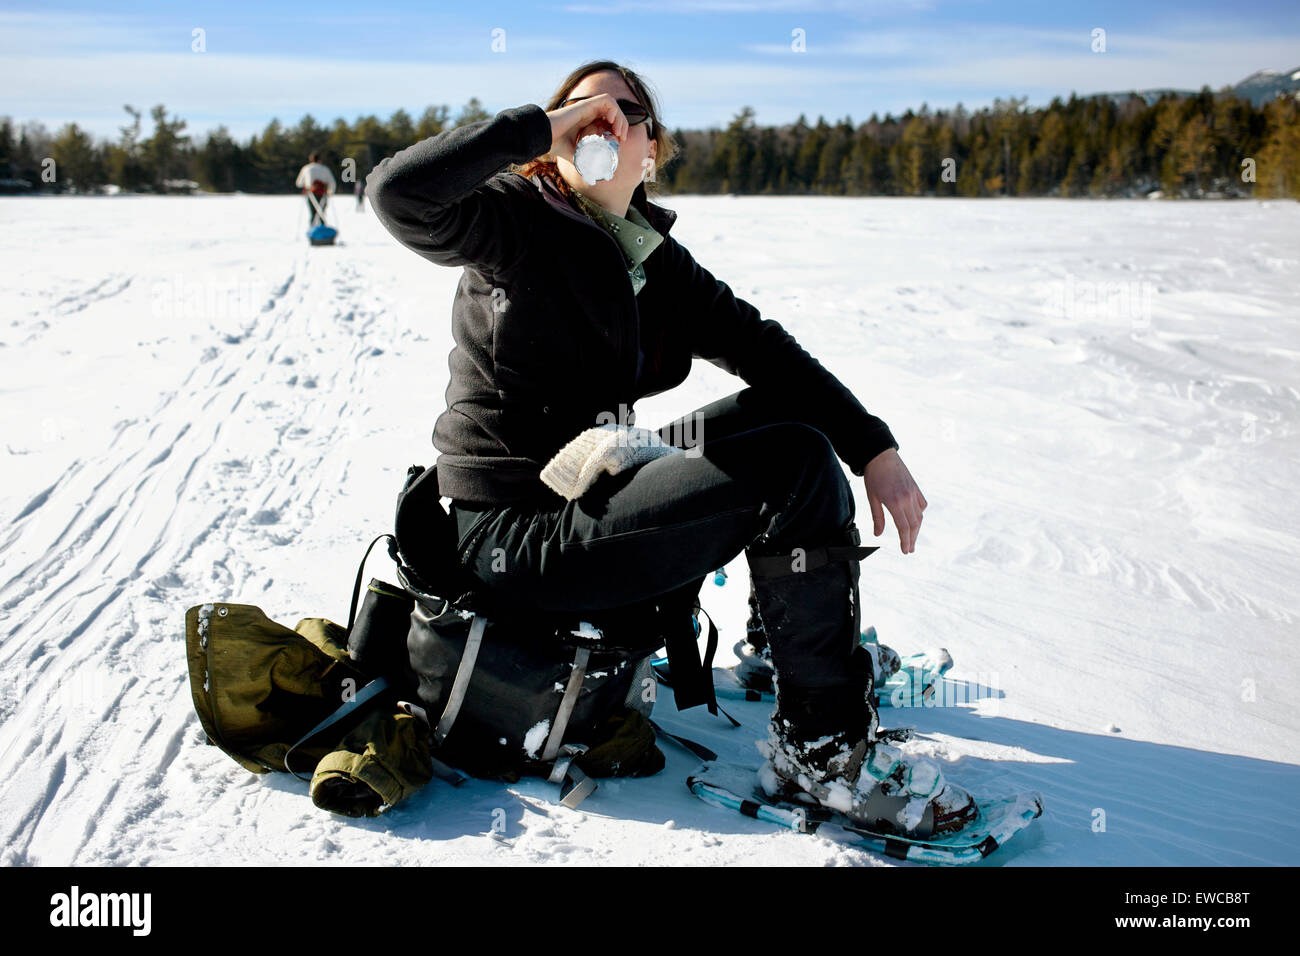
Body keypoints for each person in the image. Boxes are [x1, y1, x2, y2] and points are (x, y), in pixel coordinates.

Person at [366, 59, 976, 838]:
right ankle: (822, 758)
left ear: (651, 150)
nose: (604, 121)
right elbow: (396, 193)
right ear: (552, 138)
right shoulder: (512, 219)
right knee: (787, 464)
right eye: (583, 109)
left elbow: (764, 349)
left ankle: (783, 640)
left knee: (787, 419)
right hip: (512, 535)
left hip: (592, 484)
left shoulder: (645, 253)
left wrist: (874, 449)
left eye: (626, 113)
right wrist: (543, 126)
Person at [295, 151, 336, 224]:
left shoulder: (306, 168)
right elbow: (332, 183)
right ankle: (322, 230)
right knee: (321, 214)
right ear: (320, 160)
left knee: (313, 214)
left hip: (311, 194)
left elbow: (299, 183)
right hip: (323, 194)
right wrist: (330, 192)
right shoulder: (325, 169)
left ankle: (313, 230)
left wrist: (306, 184)